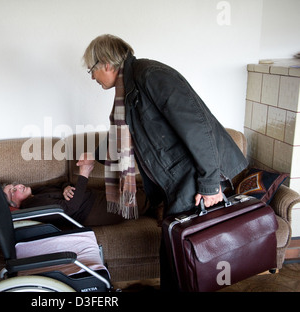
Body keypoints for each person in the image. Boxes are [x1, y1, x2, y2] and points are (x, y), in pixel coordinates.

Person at [82, 34, 248, 290]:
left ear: (106, 63)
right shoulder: (127, 91)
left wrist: (209, 183)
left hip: (191, 179)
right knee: (178, 257)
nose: (92, 77)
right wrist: (93, 155)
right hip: (177, 182)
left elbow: (196, 127)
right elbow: (123, 139)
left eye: (92, 70)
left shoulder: (151, 76)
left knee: (181, 258)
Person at [2, 153, 124, 227]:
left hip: (94, 196)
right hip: (94, 209)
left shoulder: (35, 193)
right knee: (139, 200)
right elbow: (70, 208)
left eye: (14, 185)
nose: (18, 186)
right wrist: (84, 173)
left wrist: (65, 187)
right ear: (15, 205)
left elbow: (61, 183)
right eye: (13, 191)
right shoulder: (31, 205)